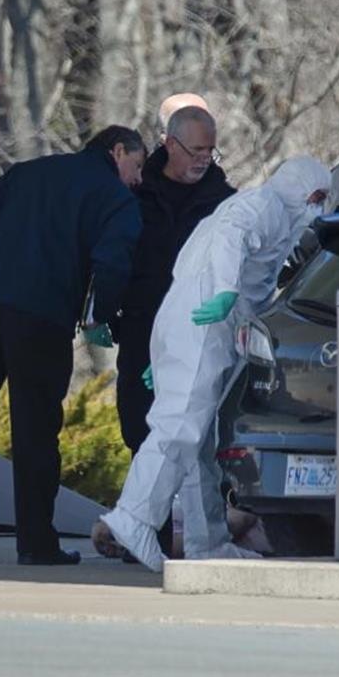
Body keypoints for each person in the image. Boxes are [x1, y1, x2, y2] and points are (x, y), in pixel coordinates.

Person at [95, 156, 333, 573]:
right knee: (179, 428)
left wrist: (166, 354)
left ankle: (208, 543)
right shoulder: (264, 208)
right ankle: (133, 517)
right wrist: (224, 291)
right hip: (206, 320)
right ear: (298, 189)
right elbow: (231, 237)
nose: (315, 206)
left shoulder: (267, 213)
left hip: (190, 321)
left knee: (200, 443)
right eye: (314, 197)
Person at [0, 126, 146, 566]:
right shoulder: (115, 198)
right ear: (117, 150)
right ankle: (35, 542)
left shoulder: (29, 172)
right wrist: (99, 314)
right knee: (36, 429)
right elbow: (113, 264)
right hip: (44, 314)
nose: (138, 178)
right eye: (137, 166)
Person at [113, 100, 235, 556]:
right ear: (170, 144)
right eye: (196, 150)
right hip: (142, 323)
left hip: (197, 328)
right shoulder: (136, 192)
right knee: (138, 423)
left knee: (194, 432)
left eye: (211, 151)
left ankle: (186, 534)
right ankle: (147, 524)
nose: (204, 159)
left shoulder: (223, 200)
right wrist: (104, 314)